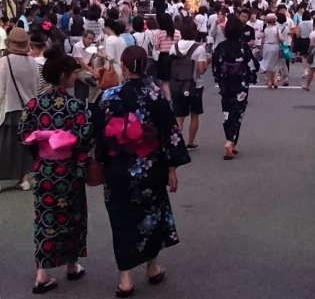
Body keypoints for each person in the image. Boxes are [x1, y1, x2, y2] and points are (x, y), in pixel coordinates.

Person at [92, 45, 191, 297]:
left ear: (123, 68)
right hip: (149, 168)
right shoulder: (156, 97)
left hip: (117, 169)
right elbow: (170, 135)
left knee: (121, 220)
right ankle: (151, 267)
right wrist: (172, 168)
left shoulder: (106, 97)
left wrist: (101, 160)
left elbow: (97, 135)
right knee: (151, 217)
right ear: (145, 68)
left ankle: (125, 279)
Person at [18, 46, 93, 294]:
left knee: (46, 219)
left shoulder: (33, 104)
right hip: (70, 170)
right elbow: (85, 137)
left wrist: (41, 146)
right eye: (72, 73)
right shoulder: (75, 106)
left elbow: (24, 135)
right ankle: (71, 264)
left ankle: (43, 273)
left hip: (45, 170)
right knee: (73, 216)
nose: (75, 77)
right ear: (63, 76)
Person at [212, 15, 259, 159]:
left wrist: (220, 78)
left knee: (227, 111)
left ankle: (230, 141)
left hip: (226, 83)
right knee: (238, 113)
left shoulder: (221, 47)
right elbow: (253, 66)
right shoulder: (243, 47)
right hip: (240, 84)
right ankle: (231, 141)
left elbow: (215, 67)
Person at [0, 28, 39, 190]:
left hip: (10, 108)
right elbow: (36, 87)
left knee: (5, 146)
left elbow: (0, 90)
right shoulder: (33, 62)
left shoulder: (4, 62)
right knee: (23, 146)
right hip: (28, 110)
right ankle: (23, 178)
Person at [169, 18, 211, 151]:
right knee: (194, 114)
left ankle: (177, 142)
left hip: (177, 84)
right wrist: (208, 62)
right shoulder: (198, 48)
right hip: (194, 85)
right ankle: (190, 142)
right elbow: (201, 70)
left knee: (179, 116)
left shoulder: (174, 47)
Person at [154, 13, 181, 101]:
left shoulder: (158, 33)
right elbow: (180, 45)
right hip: (174, 57)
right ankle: (175, 98)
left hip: (163, 58)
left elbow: (156, 47)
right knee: (174, 80)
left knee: (165, 82)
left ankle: (169, 100)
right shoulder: (177, 33)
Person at [73, 30, 100, 103]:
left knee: (99, 78)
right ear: (83, 37)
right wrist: (93, 71)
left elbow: (91, 59)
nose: (90, 41)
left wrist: (95, 69)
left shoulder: (90, 46)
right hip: (79, 70)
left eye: (92, 39)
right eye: (89, 38)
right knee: (94, 82)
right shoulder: (77, 46)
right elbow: (81, 62)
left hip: (87, 69)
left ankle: (92, 101)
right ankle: (91, 102)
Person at [98, 18, 126, 83]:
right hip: (122, 68)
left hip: (114, 70)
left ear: (108, 28)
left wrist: (99, 54)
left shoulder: (110, 40)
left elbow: (110, 58)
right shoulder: (121, 39)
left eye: (104, 28)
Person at [260, 13, 283, 89]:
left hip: (267, 46)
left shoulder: (265, 30)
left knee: (267, 63)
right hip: (275, 46)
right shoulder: (277, 29)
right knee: (276, 63)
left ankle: (269, 81)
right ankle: (275, 80)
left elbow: (262, 41)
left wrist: (261, 49)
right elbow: (281, 38)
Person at [297, 10, 313, 78]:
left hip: (303, 40)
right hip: (311, 40)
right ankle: (311, 69)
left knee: (304, 56)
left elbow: (298, 34)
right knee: (311, 55)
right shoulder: (311, 23)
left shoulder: (300, 23)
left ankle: (305, 70)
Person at [302, 18, 315, 91]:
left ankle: (307, 85)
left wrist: (309, 51)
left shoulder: (313, 33)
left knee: (312, 69)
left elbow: (311, 44)